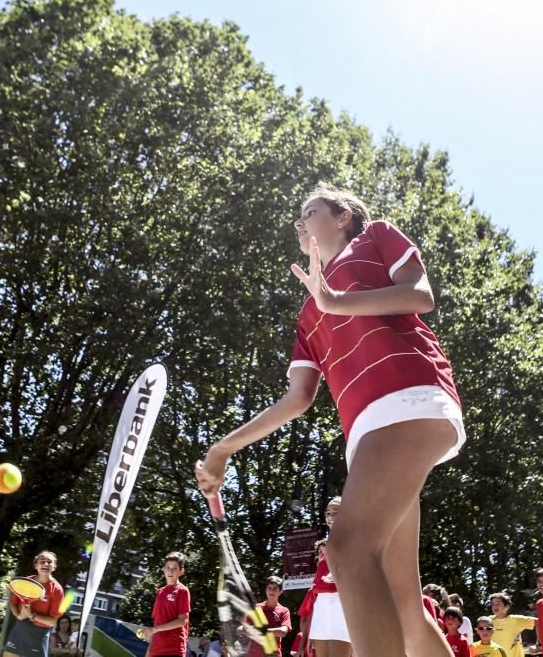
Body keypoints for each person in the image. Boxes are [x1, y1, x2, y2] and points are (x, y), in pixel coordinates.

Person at [197, 182, 465, 657]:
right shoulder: (307, 314)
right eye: (298, 219)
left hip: (411, 399)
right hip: (370, 437)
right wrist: (223, 449)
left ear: (343, 217)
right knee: (405, 606)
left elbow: (419, 296)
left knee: (346, 552)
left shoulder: (376, 237)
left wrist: (335, 300)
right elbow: (297, 398)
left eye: (311, 211)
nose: (300, 223)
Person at [297, 501, 350, 657]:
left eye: (336, 512)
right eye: (328, 513)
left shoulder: (352, 539)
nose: (331, 517)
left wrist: (340, 574)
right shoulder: (328, 546)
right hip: (322, 606)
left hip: (340, 603)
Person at [3, 550, 64, 657]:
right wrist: (18, 615)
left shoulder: (57, 590)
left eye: (49, 562)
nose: (46, 564)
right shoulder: (26, 581)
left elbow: (53, 621)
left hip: (39, 633)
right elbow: (13, 604)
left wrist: (32, 616)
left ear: (54, 567)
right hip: (20, 629)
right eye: (42, 561)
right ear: (36, 565)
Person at [137, 552, 190, 657]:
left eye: (174, 568)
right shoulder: (160, 592)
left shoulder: (183, 591)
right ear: (163, 569)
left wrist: (154, 629)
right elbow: (157, 625)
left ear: (181, 571)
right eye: (168, 567)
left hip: (173, 650)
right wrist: (148, 653)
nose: (170, 571)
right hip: (155, 651)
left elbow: (182, 621)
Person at [247, 576, 292, 657]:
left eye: (275, 588)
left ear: (280, 591)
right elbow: (240, 629)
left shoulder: (284, 610)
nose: (271, 591)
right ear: (266, 590)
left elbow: (283, 632)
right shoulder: (256, 608)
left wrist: (260, 631)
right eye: (269, 588)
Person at [489, 592, 535, 657]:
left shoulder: (516, 619)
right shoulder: (489, 621)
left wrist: (538, 644)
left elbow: (538, 622)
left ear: (507, 606)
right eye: (493, 604)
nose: (495, 606)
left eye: (498, 603)